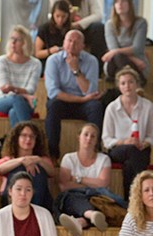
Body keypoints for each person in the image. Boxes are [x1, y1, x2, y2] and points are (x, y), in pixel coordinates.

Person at [44, 29, 103, 159]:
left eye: (76, 42)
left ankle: (94, 151)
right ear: (64, 43)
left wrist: (76, 70)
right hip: (63, 102)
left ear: (82, 46)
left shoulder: (91, 61)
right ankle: (52, 155)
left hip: (85, 104)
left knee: (96, 107)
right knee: (53, 105)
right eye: (69, 41)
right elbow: (54, 93)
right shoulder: (53, 60)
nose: (72, 45)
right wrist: (82, 100)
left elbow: (90, 91)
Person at [102, 65, 153, 200]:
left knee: (130, 163)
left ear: (136, 84)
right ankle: (138, 197)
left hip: (140, 149)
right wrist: (124, 141)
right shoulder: (112, 108)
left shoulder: (148, 106)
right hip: (118, 150)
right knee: (132, 151)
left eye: (131, 82)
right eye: (123, 83)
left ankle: (129, 201)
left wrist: (144, 143)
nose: (127, 86)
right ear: (119, 86)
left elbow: (151, 136)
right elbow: (106, 140)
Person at [56, 123, 115, 236]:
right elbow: (63, 186)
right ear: (79, 137)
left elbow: (103, 183)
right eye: (86, 134)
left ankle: (80, 222)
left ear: (97, 140)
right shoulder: (69, 158)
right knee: (71, 197)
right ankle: (91, 216)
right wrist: (91, 185)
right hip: (73, 199)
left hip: (98, 198)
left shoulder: (104, 159)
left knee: (96, 201)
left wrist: (78, 179)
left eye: (93, 136)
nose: (89, 138)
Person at [0, 121, 54, 209]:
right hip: (10, 202)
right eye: (24, 135)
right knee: (18, 168)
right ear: (17, 138)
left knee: (40, 168)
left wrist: (38, 160)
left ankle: (34, 212)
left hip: (40, 201)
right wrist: (22, 160)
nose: (28, 139)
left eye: (32, 136)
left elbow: (52, 173)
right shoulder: (8, 159)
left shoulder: (42, 159)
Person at [0, 25, 41, 127]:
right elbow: (4, 88)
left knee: (13, 112)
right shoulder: (2, 60)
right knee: (16, 99)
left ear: (25, 43)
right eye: (12, 39)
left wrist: (15, 90)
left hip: (24, 102)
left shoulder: (35, 63)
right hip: (1, 101)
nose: (13, 43)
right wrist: (25, 95)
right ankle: (31, 133)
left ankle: (18, 141)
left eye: (17, 40)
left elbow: (30, 89)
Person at [102, 0, 148, 83]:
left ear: (130, 4)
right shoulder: (109, 25)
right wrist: (133, 59)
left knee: (118, 55)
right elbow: (113, 49)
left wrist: (115, 52)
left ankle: (122, 83)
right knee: (118, 56)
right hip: (115, 64)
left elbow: (137, 48)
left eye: (123, 1)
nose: (119, 4)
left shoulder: (141, 23)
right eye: (116, 2)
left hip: (138, 65)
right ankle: (138, 82)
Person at [34, 0, 71, 73]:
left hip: (66, 62)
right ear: (53, 14)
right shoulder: (44, 29)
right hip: (47, 61)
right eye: (57, 16)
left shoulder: (71, 30)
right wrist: (50, 51)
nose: (60, 20)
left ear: (68, 16)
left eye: (63, 16)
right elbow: (37, 53)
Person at [69, 0, 106, 67]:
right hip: (67, 27)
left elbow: (98, 15)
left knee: (99, 27)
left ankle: (97, 67)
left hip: (85, 28)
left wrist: (79, 24)